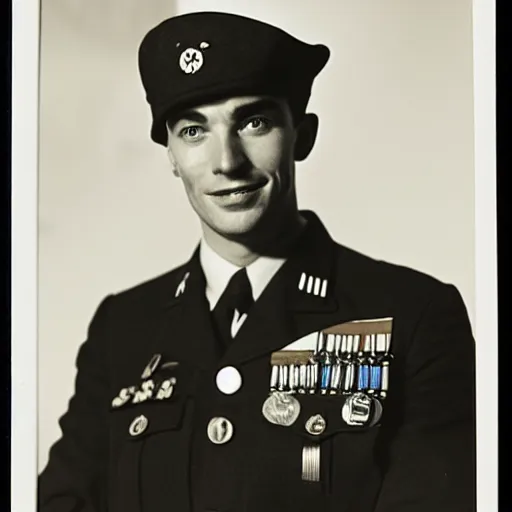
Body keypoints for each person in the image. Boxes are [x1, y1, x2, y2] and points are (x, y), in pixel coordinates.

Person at [38, 11, 476, 512]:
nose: (227, 161)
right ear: (171, 156)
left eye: (254, 122)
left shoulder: (415, 316)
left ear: (303, 134)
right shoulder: (122, 327)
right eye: (193, 131)